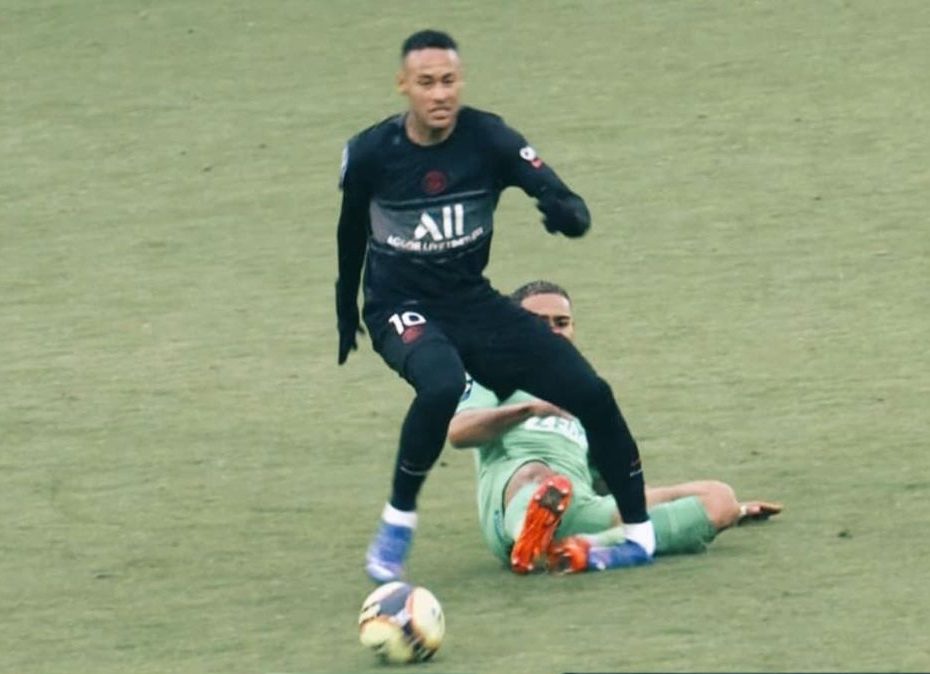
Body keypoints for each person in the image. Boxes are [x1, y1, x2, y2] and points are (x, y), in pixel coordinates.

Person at [336, 30, 655, 583]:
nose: (440, 94)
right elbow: (349, 231)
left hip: (471, 302)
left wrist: (566, 212)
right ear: (404, 86)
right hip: (398, 303)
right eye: (427, 83)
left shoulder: (489, 138)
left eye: (449, 82)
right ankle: (397, 524)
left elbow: (556, 191)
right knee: (439, 384)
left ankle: (640, 538)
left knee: (592, 395)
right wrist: (346, 306)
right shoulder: (370, 153)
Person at [448, 280, 782, 573]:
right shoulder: (488, 375)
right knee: (539, 475)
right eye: (538, 322)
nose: (553, 331)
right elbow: (459, 432)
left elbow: (606, 482)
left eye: (561, 322)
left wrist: (711, 512)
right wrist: (529, 409)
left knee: (719, 497)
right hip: (513, 507)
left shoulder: (584, 395)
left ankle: (581, 550)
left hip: (580, 507)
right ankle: (530, 535)